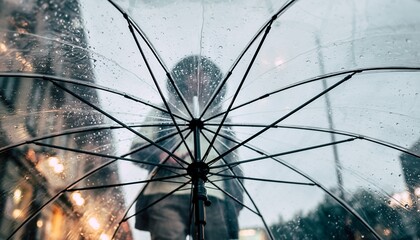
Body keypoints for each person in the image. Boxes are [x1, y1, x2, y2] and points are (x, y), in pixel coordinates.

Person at [130, 55, 243, 240]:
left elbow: (234, 164)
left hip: (213, 195)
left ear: (212, 80)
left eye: (204, 73)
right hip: (165, 193)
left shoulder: (224, 121)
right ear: (182, 78)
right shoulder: (163, 112)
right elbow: (138, 148)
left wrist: (236, 202)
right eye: (192, 73)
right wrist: (163, 157)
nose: (198, 78)